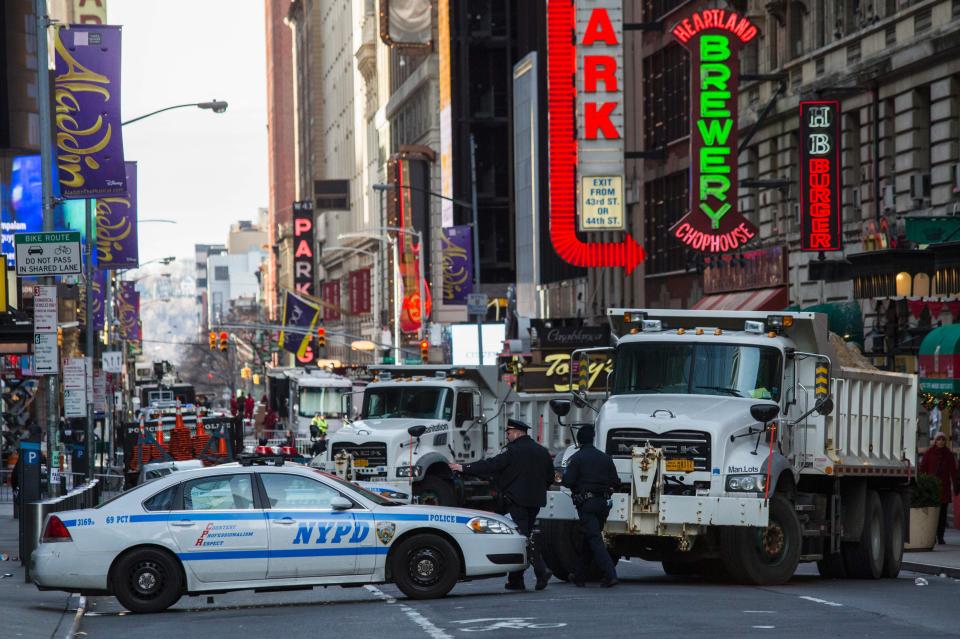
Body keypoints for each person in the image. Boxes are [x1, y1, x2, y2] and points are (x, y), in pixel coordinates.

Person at [449, 419, 553, 591]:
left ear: (518, 433)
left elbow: (491, 465)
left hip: (517, 501)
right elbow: (550, 477)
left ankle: (541, 570)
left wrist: (463, 467)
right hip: (535, 501)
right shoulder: (542, 451)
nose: (507, 436)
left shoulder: (512, 451)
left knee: (521, 539)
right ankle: (516, 580)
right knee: (522, 536)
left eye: (509, 433)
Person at [561, 424, 620, 587]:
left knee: (594, 539)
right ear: (593, 439)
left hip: (586, 504)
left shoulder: (577, 458)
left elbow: (568, 481)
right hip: (602, 504)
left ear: (579, 440)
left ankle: (610, 574)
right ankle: (579, 576)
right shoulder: (605, 457)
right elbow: (616, 482)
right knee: (589, 538)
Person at [919, 431, 959, 545]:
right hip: (932, 488)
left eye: (943, 439)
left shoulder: (949, 455)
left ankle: (940, 536)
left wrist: (956, 486)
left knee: (942, 515)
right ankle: (932, 536)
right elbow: (923, 469)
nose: (941, 442)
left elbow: (953, 472)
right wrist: (923, 484)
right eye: (939, 439)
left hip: (944, 488)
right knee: (932, 513)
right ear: (935, 441)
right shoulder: (929, 453)